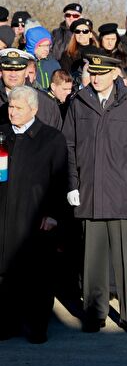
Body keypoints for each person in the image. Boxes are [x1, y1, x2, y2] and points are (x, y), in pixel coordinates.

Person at [62, 54, 127, 335]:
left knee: (126, 258)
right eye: (93, 72)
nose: (95, 78)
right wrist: (72, 184)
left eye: (102, 73)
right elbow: (68, 146)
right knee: (93, 259)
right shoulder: (79, 102)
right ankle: (95, 313)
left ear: (115, 73)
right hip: (90, 192)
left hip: (124, 193)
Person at [0, 87, 67, 344]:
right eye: (10, 106)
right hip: (5, 214)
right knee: (5, 274)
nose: (12, 112)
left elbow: (60, 180)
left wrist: (53, 214)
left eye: (18, 108)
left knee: (36, 275)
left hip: (35, 217)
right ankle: (7, 324)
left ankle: (37, 326)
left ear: (33, 110)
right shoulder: (3, 134)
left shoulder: (51, 139)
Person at [0, 49, 62, 130]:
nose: (13, 74)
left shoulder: (46, 103)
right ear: (1, 72)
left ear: (26, 72)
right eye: (8, 69)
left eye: (18, 69)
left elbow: (56, 137)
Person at [24, 25, 60, 90]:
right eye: (43, 46)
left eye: (48, 45)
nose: (46, 49)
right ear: (32, 45)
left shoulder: (53, 63)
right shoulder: (22, 62)